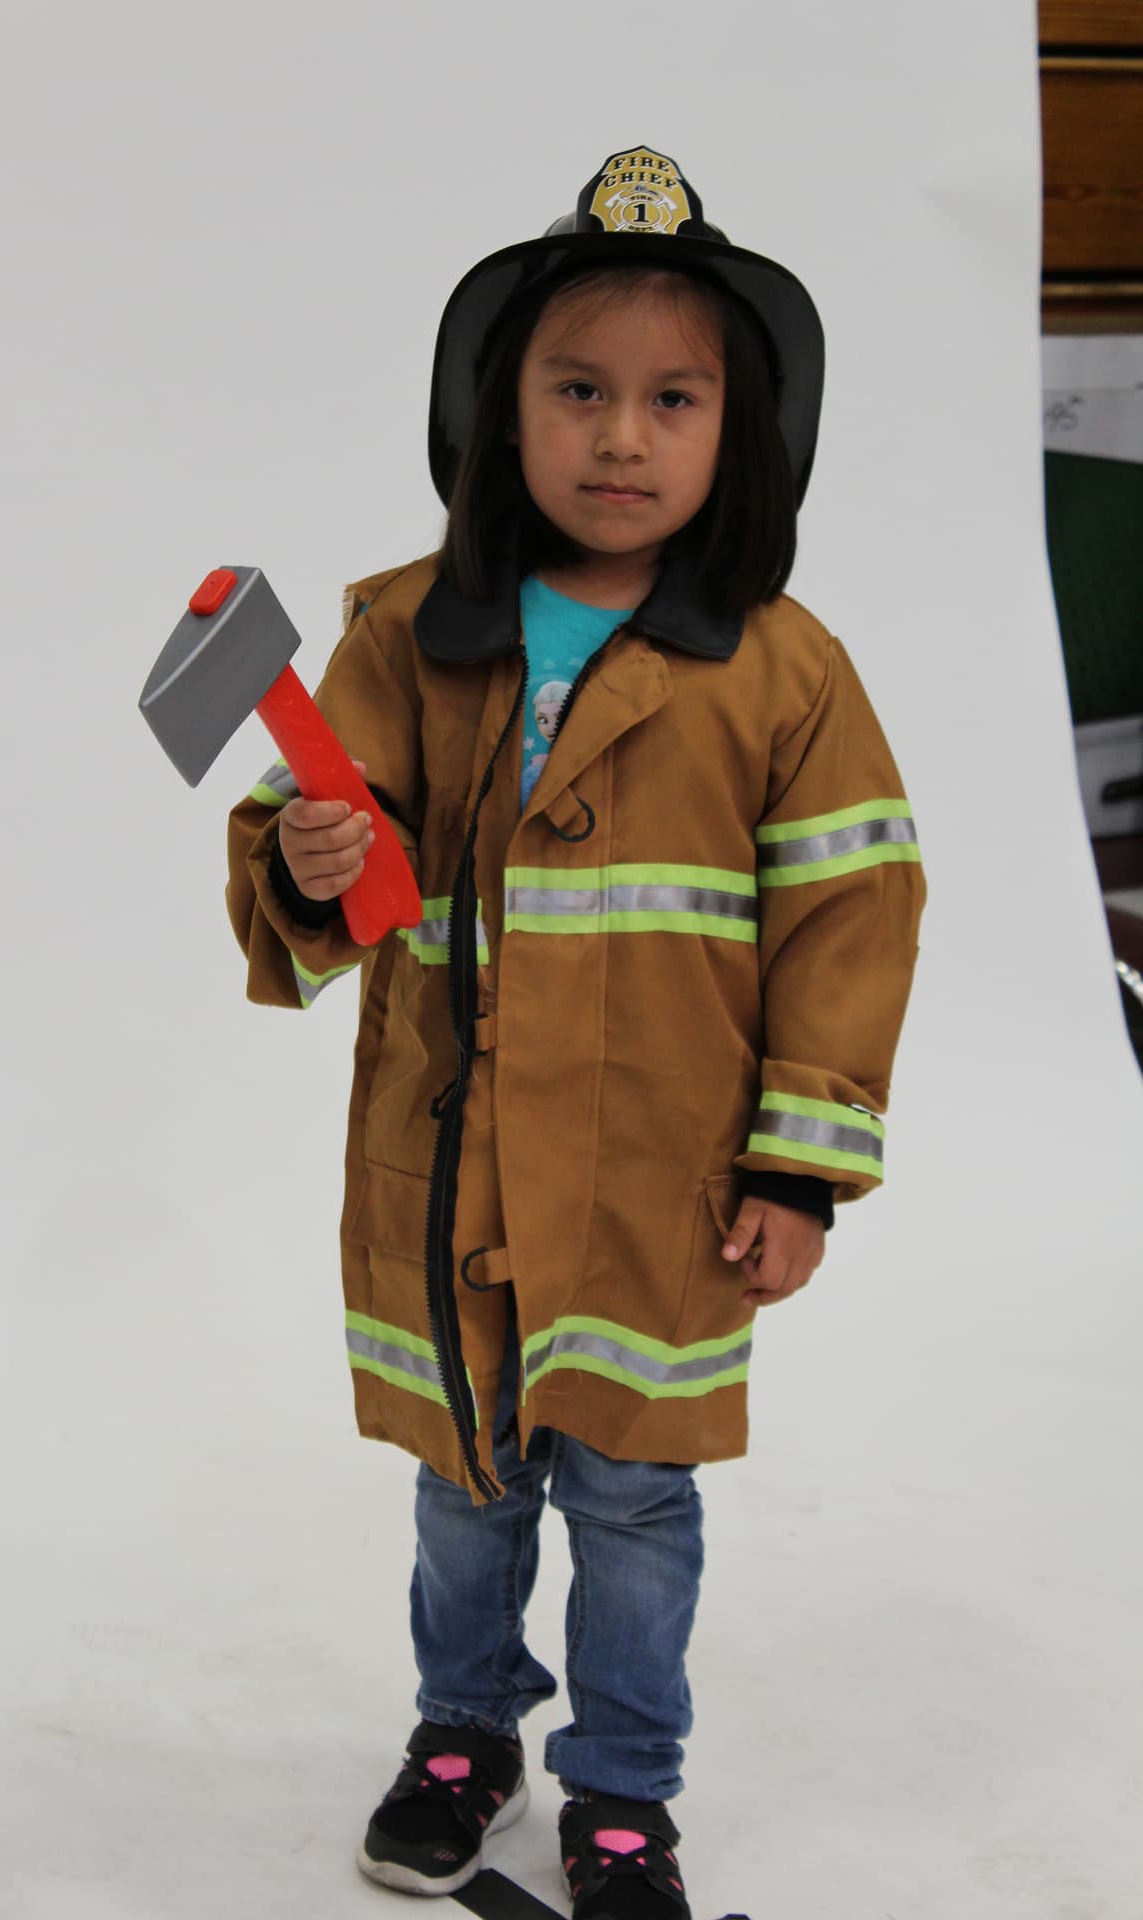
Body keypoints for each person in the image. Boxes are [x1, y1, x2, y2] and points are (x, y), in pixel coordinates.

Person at [225, 145, 926, 1920]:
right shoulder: (404, 629)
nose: (623, 436)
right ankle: (465, 1734)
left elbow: (854, 916)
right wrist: (311, 855)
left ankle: (623, 1793)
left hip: (661, 1191)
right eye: (580, 391)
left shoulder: (785, 668)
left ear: (737, 428)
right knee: (467, 1492)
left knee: (633, 1504)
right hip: (451, 1169)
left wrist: (801, 1167)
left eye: (671, 399)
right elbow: (328, 862)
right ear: (499, 414)